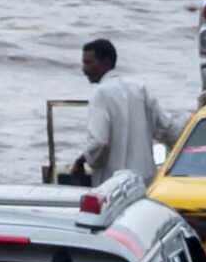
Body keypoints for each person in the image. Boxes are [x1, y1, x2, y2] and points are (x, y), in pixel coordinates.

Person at [74, 39, 185, 187]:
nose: (84, 70)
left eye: (88, 63)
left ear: (106, 62)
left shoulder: (100, 94)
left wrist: (82, 160)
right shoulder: (139, 88)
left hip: (113, 186)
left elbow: (99, 142)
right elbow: (168, 129)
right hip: (146, 182)